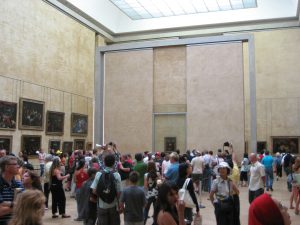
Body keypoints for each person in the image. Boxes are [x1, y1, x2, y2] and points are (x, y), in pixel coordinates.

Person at [91, 154, 122, 225]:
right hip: (113, 205)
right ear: (114, 163)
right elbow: (119, 192)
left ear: (104, 162)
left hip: (101, 205)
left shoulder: (98, 174)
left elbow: (94, 191)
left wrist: (102, 195)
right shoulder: (116, 175)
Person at [0, 155, 23, 225]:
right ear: (6, 167)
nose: (18, 166)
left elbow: (23, 206)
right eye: (15, 164)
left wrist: (6, 204)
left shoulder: (18, 184)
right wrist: (17, 206)